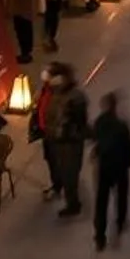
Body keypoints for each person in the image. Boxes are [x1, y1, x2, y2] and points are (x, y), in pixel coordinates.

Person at [41, 65, 90, 216]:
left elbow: (79, 123)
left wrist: (64, 131)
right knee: (58, 167)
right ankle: (58, 186)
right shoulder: (54, 92)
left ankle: (73, 205)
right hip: (54, 138)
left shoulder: (75, 97)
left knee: (70, 173)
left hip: (69, 143)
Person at [90, 91, 130, 250]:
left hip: (104, 167)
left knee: (101, 202)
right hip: (119, 167)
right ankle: (120, 221)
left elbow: (95, 140)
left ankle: (99, 236)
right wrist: (128, 163)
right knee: (121, 196)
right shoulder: (121, 126)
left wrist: (97, 153)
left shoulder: (99, 123)